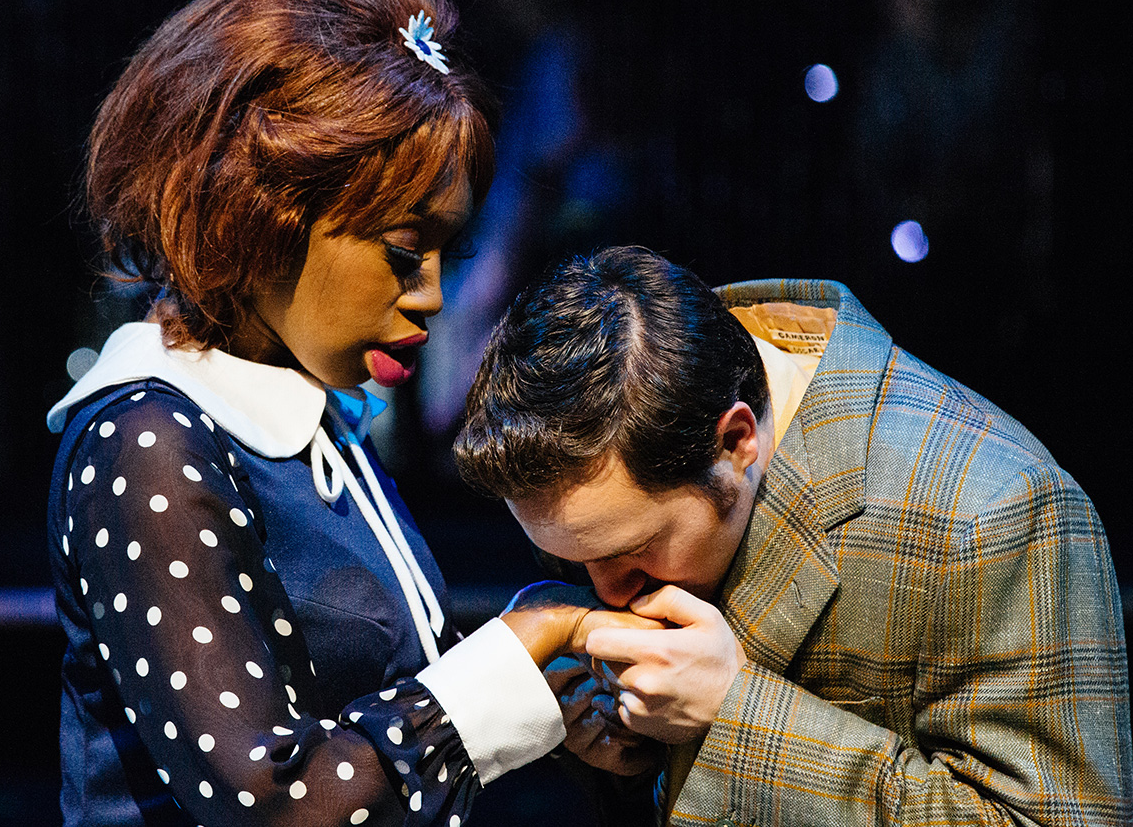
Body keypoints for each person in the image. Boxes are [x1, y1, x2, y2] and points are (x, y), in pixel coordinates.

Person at [46, 0, 650, 827]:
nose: (433, 294)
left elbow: (386, 721)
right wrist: (504, 672)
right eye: (405, 250)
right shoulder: (147, 438)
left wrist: (555, 690)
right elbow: (271, 805)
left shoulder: (305, 425)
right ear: (264, 213)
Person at [454, 245, 1132, 826]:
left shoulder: (996, 507)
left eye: (630, 554)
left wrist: (734, 713)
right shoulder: (640, 412)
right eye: (566, 556)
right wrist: (630, 762)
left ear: (736, 441)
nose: (605, 595)